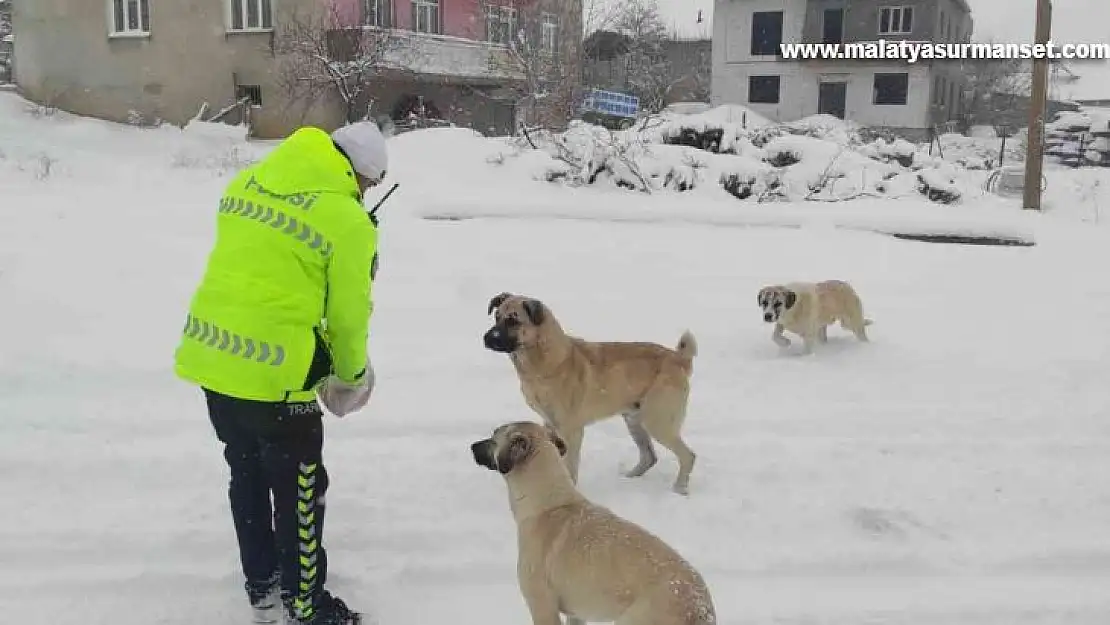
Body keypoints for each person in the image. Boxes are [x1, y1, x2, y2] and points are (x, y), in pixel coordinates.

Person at [174, 121, 389, 625]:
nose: (366, 194)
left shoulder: (245, 185)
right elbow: (347, 317)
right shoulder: (348, 221)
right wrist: (351, 375)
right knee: (301, 490)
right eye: (370, 185)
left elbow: (267, 273)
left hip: (213, 359)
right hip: (276, 377)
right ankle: (306, 603)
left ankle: (262, 580)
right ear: (360, 175)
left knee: (246, 472)